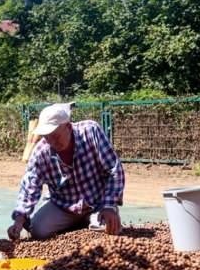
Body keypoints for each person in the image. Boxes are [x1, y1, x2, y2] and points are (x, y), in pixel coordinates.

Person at [7, 103, 125, 241]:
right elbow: (29, 187)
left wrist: (109, 205)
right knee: (38, 231)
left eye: (55, 136)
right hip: (63, 205)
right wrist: (19, 219)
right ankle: (77, 222)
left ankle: (91, 220)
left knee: (109, 230)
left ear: (68, 127)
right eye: (47, 136)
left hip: (96, 202)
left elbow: (114, 169)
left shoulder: (91, 132)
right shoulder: (40, 152)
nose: (51, 142)